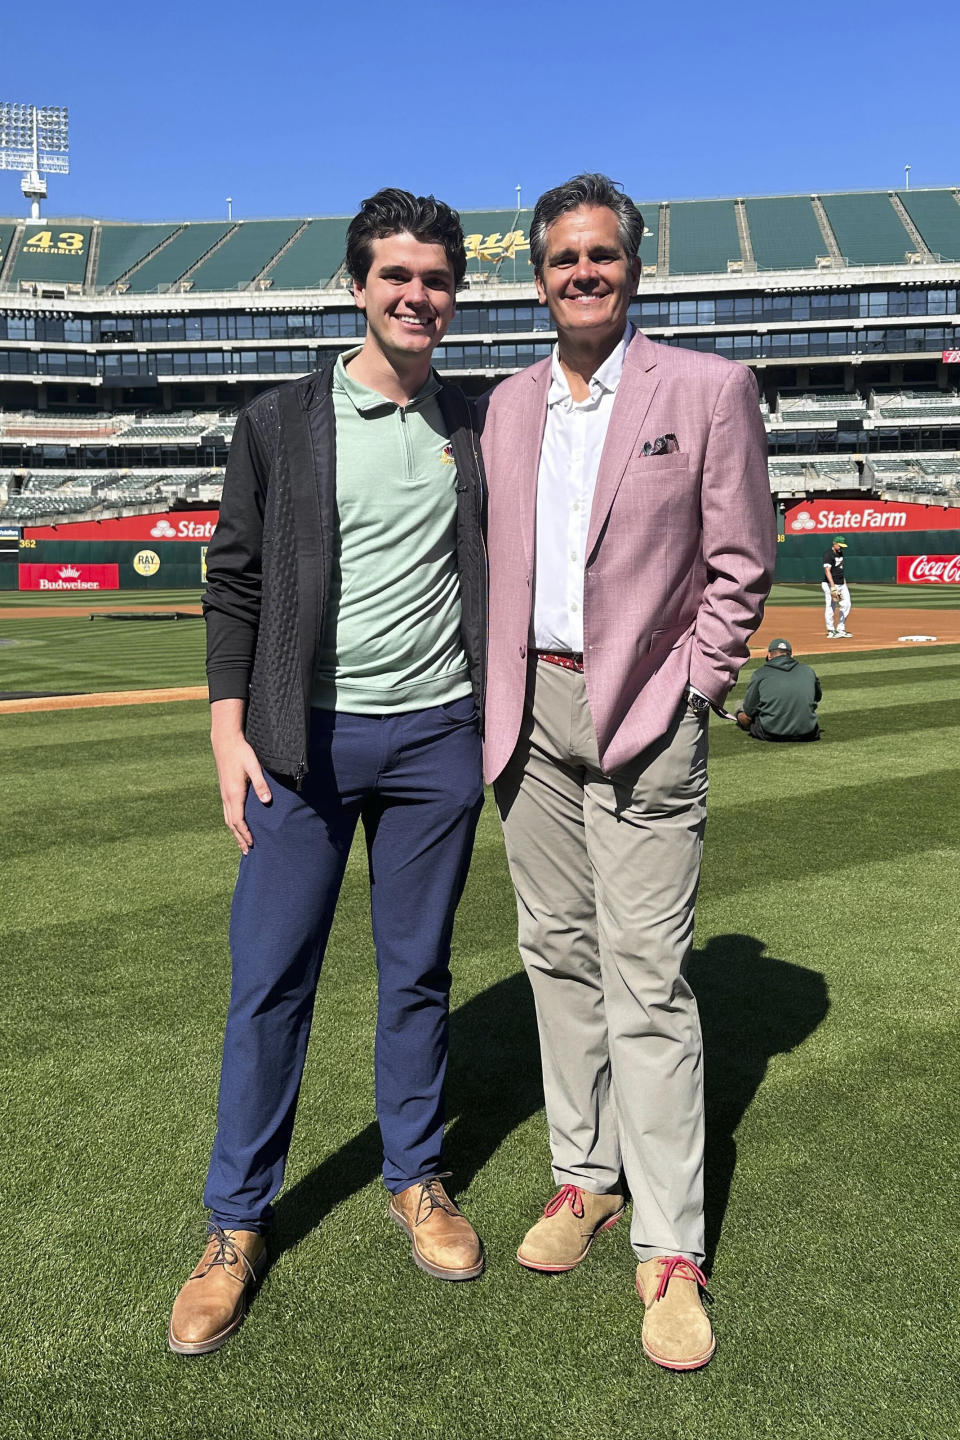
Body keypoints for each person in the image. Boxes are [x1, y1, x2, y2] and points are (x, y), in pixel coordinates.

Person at [168, 189, 488, 1357]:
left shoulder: (480, 420)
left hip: (438, 736)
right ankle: (235, 1224)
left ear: (456, 293)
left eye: (438, 279)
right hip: (298, 744)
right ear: (358, 286)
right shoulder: (280, 421)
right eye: (397, 277)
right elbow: (235, 583)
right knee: (270, 984)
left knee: (416, 973)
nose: (418, 297)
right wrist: (223, 727)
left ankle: (416, 1177)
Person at [480, 173, 776, 1372]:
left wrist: (697, 687)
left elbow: (741, 563)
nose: (582, 273)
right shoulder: (504, 405)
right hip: (531, 714)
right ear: (540, 274)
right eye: (563, 258)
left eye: (602, 255)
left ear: (634, 268)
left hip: (647, 710)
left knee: (649, 979)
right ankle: (582, 1178)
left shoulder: (707, 388)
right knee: (556, 954)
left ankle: (670, 1247)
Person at [736, 638, 821, 741]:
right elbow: (817, 697)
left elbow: (749, 711)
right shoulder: (808, 671)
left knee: (740, 708)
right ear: (791, 656)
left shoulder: (760, 673)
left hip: (771, 732)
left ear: (769, 655)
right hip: (808, 732)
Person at [822, 535, 852, 637]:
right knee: (831, 606)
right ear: (834, 543)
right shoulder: (828, 555)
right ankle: (831, 630)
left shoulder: (840, 553)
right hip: (830, 584)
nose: (841, 548)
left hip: (841, 584)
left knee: (847, 604)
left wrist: (844, 583)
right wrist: (833, 586)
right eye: (840, 545)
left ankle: (841, 628)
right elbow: (827, 571)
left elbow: (840, 569)